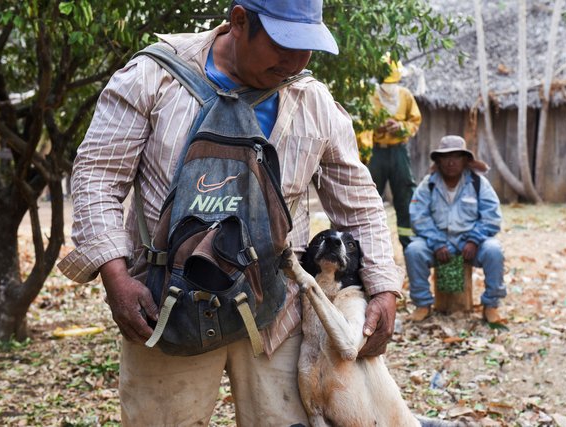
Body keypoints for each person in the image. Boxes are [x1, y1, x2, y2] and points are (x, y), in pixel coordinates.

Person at [58, 1, 403, 425]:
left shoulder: (311, 100)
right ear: (239, 20)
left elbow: (359, 201)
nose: (295, 62)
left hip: (276, 311)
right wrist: (116, 278)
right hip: (165, 308)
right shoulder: (154, 76)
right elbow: (97, 177)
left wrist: (385, 289)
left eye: (306, 47)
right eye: (283, 44)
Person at [404, 135, 506, 323]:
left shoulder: (478, 183)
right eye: (445, 157)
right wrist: (436, 242)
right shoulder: (428, 184)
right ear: (438, 161)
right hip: (437, 243)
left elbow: (492, 216)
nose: (451, 162)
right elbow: (418, 217)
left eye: (457, 156)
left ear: (466, 160)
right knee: (414, 250)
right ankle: (422, 304)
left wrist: (474, 240)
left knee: (494, 250)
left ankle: (491, 305)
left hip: (471, 244)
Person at [364, 55, 422, 250]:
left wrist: (400, 127)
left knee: (405, 194)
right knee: (369, 196)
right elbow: (360, 125)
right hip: (376, 153)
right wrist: (377, 129)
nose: (389, 85)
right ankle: (367, 246)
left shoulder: (405, 95)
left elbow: (415, 122)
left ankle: (409, 245)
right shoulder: (370, 95)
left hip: (398, 152)